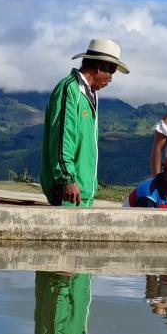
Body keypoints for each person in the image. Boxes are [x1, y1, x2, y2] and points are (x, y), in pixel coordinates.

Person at [41, 39, 130, 208]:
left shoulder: (90, 95)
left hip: (82, 192)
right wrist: (67, 179)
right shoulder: (70, 89)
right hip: (68, 191)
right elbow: (62, 138)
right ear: (100, 67)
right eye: (111, 71)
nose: (111, 79)